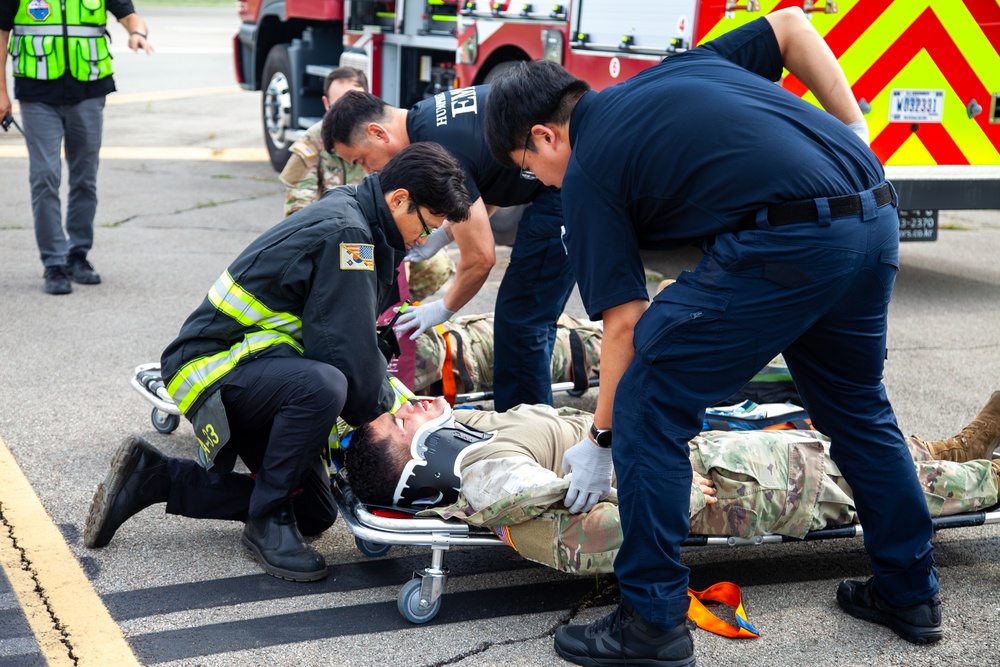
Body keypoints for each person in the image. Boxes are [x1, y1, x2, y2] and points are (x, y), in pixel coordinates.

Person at [482, 7, 937, 662]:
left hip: (791, 243)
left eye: (528, 168)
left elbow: (625, 326)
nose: (538, 182)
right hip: (873, 212)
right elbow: (789, 27)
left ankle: (651, 620)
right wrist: (855, 128)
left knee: (648, 396)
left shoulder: (588, 170)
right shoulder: (683, 68)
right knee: (858, 406)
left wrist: (602, 436)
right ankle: (910, 590)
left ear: (544, 137)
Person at [84, 143, 472, 583]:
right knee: (324, 385)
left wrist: (390, 403)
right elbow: (342, 350)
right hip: (210, 367)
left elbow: (349, 339)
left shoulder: (357, 217)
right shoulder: (350, 236)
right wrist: (388, 415)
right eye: (427, 227)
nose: (423, 240)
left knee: (313, 511)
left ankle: (156, 478)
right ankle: (266, 524)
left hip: (258, 367)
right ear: (399, 199)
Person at [344, 392, 1000, 582]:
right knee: (874, 479)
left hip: (707, 445)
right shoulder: (483, 473)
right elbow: (527, 499)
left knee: (855, 451)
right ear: (416, 461)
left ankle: (953, 451)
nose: (408, 406)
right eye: (399, 420)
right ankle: (973, 470)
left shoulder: (474, 433)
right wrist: (668, 491)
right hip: (746, 481)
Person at [323, 87, 576, 411]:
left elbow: (481, 258)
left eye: (362, 160)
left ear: (377, 133)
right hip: (560, 171)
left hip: (563, 183)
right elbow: (489, 182)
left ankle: (526, 430)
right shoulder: (427, 118)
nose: (369, 172)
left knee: (522, 320)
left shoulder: (438, 147)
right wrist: (442, 236)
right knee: (526, 319)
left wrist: (442, 308)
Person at [0, 0, 153, 295]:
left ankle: (77, 255)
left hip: (90, 92)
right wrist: (1, 91)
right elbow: (2, 34)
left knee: (85, 178)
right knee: (44, 176)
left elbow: (131, 18)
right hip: (37, 94)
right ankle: (54, 262)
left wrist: (139, 34)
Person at [278, 67, 368, 217]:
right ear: (326, 104)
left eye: (356, 107)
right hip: (329, 230)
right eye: (340, 107)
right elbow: (299, 206)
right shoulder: (312, 140)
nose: (349, 116)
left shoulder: (384, 139)